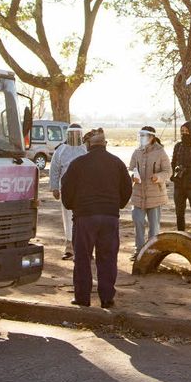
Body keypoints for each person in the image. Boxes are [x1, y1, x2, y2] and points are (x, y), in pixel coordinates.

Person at [60, 128, 132, 308]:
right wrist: (116, 205)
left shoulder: (78, 163)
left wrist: (73, 207)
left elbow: (66, 189)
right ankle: (107, 298)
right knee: (107, 258)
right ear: (105, 144)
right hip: (109, 216)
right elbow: (127, 188)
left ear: (88, 145)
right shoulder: (117, 163)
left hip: (84, 217)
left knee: (83, 258)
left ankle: (82, 298)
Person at [129, 125, 170, 258]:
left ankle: (152, 252)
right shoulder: (136, 152)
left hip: (155, 195)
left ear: (152, 137)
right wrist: (132, 175)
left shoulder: (161, 152)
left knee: (154, 226)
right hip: (138, 195)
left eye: (144, 135)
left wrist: (158, 177)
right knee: (138, 222)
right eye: (140, 135)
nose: (142, 138)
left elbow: (168, 171)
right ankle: (139, 251)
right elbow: (130, 169)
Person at [48, 123, 87, 260]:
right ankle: (69, 248)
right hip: (66, 190)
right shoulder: (61, 150)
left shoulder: (85, 149)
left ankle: (85, 249)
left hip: (84, 191)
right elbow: (54, 170)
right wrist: (54, 188)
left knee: (84, 220)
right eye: (72, 134)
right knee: (68, 219)